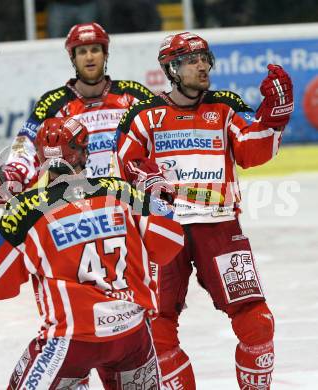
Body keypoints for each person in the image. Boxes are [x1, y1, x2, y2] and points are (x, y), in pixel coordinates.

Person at [114, 32, 294, 389]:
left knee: (257, 321)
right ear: (172, 68)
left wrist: (273, 120)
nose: (202, 65)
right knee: (157, 325)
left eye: (204, 58)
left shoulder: (225, 106)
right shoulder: (144, 114)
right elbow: (124, 160)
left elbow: (249, 151)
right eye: (191, 60)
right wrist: (145, 176)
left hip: (221, 226)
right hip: (163, 231)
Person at [0, 117, 184, 389]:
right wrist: (159, 198)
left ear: (40, 158)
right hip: (132, 336)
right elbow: (169, 245)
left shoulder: (25, 210)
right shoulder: (121, 191)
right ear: (85, 151)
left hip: (71, 341)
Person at [0, 22, 154, 206]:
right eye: (82, 52)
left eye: (95, 49)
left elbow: (158, 139)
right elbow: (26, 145)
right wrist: (13, 173)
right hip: (72, 203)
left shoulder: (134, 94)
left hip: (128, 198)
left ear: (106, 54)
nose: (89, 57)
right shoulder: (53, 103)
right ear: (73, 58)